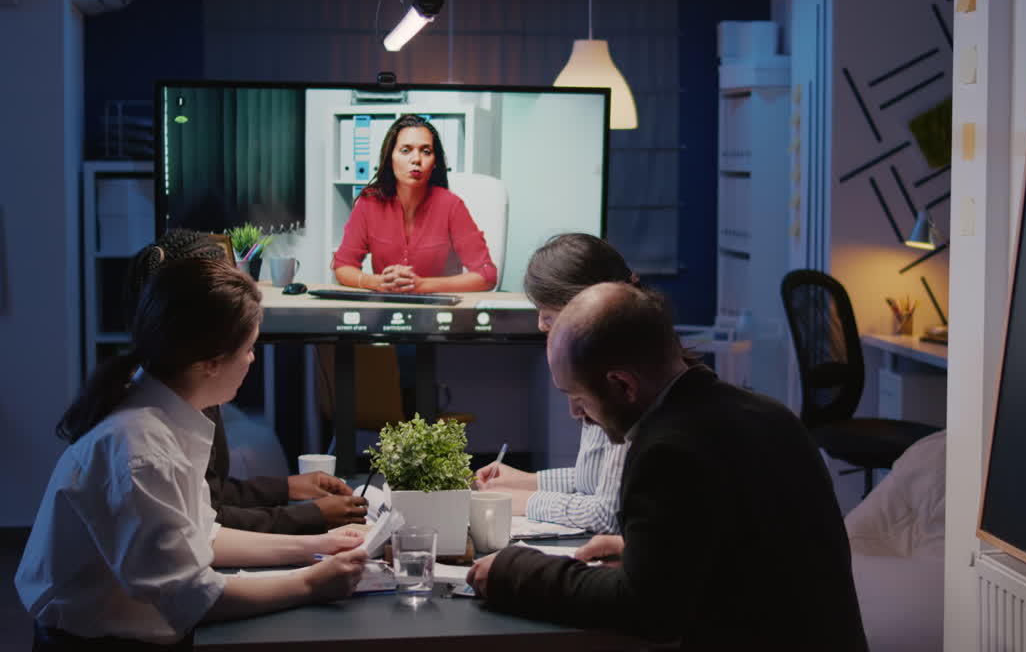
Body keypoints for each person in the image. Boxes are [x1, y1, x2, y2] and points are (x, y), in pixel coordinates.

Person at [467, 283, 869, 650]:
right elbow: (756, 547)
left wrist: (513, 570)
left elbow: (647, 611)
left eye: (578, 397)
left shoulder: (668, 450)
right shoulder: (769, 415)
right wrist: (647, 550)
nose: (576, 414)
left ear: (623, 385)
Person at [17, 258, 368, 649]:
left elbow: (202, 536)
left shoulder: (166, 415)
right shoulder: (141, 448)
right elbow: (191, 597)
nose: (252, 359)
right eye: (249, 348)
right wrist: (309, 583)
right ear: (210, 363)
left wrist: (317, 546)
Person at [125, 229, 368, 533]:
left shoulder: (171, 391)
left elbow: (204, 499)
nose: (252, 359)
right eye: (248, 347)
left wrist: (287, 487)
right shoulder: (146, 443)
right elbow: (206, 528)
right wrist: (311, 520)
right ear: (210, 356)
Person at [473, 233, 638, 533]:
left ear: (584, 303)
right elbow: (596, 478)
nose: (540, 324)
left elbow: (607, 514)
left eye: (547, 311)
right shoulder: (603, 362)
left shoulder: (621, 379)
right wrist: (525, 480)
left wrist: (526, 499)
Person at [332, 114, 498, 293]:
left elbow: (487, 274)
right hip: (386, 308)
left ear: (435, 162)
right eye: (406, 150)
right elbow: (342, 266)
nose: (416, 159)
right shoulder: (369, 203)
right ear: (390, 158)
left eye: (426, 151)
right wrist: (376, 282)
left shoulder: (451, 206)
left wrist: (422, 285)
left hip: (439, 311)